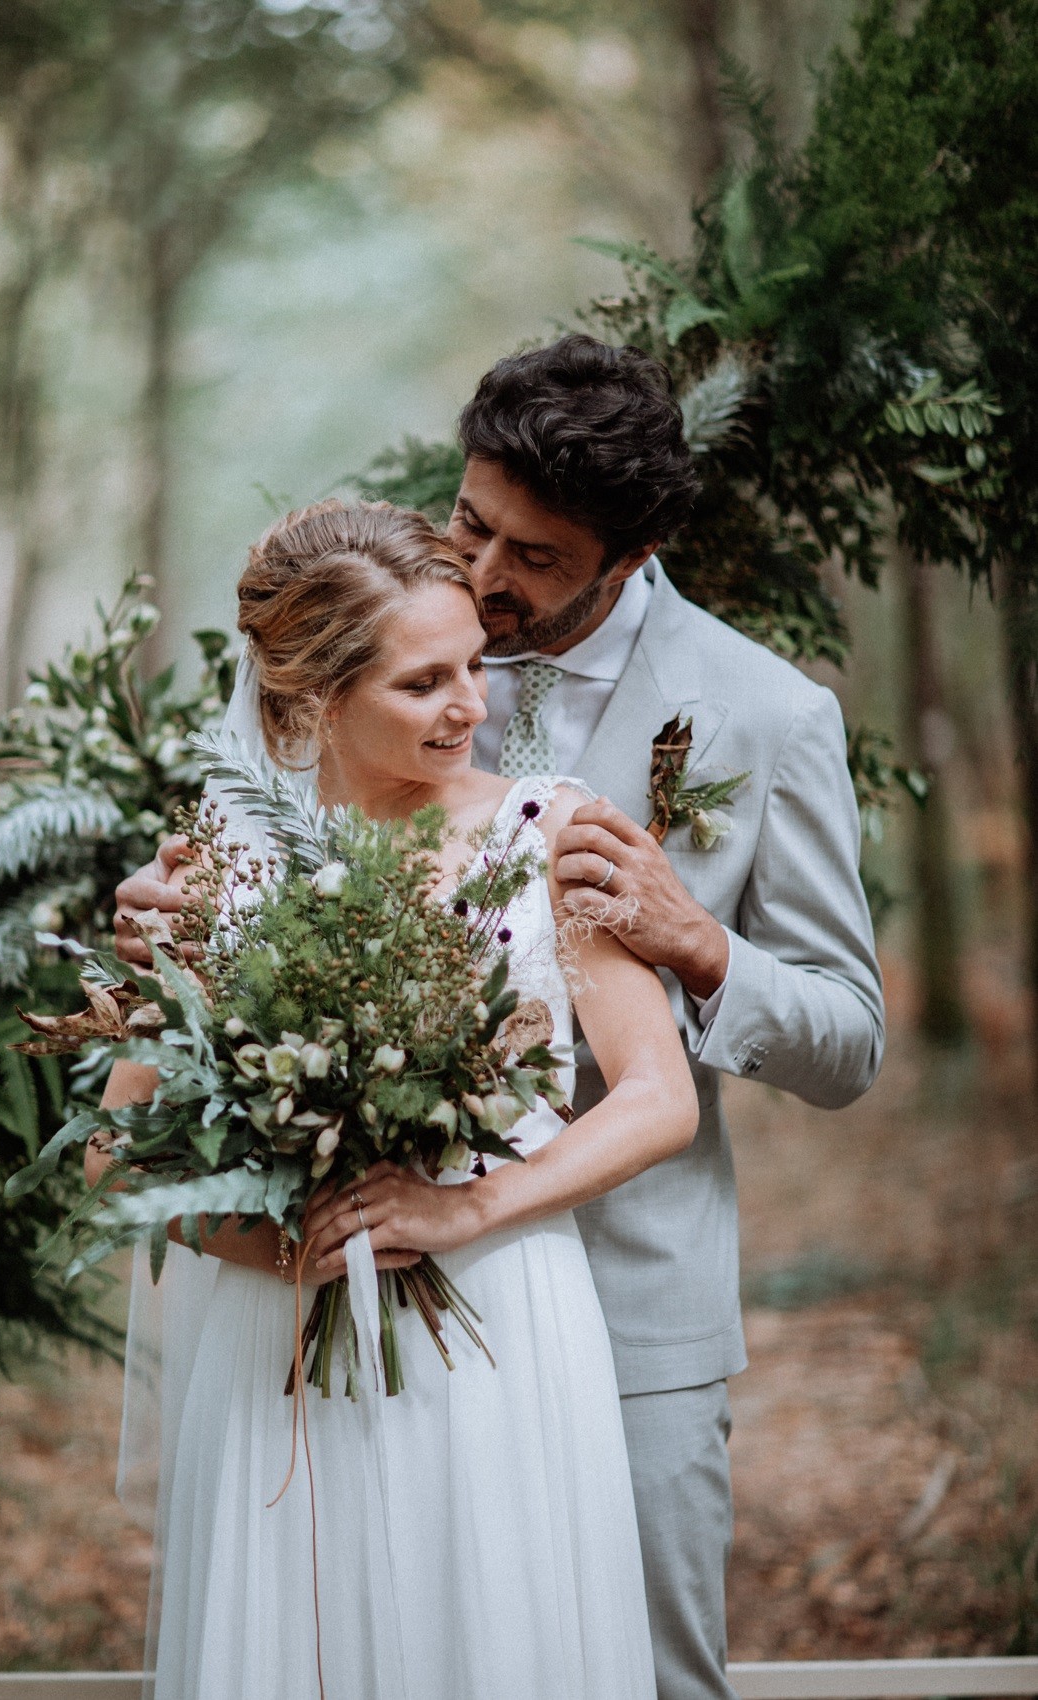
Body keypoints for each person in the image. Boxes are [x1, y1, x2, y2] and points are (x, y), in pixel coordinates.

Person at [114, 336, 885, 1700]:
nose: (481, 579)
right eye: (472, 524)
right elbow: (139, 1118)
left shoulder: (763, 718)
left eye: (530, 558)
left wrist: (693, 942)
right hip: (306, 1315)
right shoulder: (374, 640)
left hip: (603, 1304)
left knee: (601, 1661)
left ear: (626, 550)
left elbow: (838, 1037)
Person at [92, 499, 699, 1700]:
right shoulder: (221, 868)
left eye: (475, 663)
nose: (473, 705)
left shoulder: (551, 833)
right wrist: (264, 1244)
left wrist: (465, 1210)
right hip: (279, 1344)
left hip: (503, 1320)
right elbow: (118, 1147)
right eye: (425, 683)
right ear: (309, 699)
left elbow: (657, 1095)